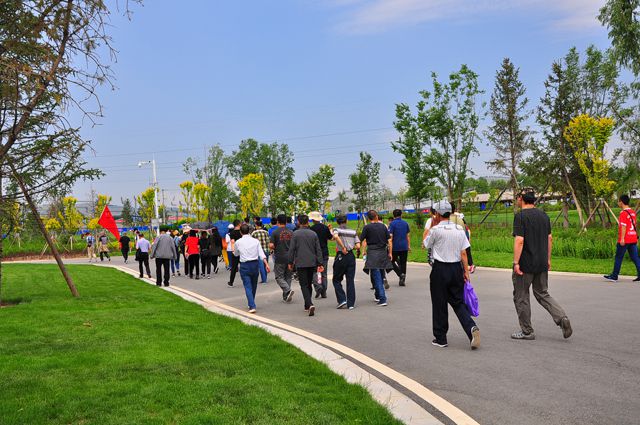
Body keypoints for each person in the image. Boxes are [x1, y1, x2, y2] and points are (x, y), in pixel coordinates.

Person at [511, 191, 572, 340]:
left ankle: (527, 331)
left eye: (517, 198)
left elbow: (519, 240)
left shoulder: (520, 216)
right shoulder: (544, 216)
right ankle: (561, 317)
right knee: (542, 293)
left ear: (521, 199)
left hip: (525, 265)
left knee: (521, 296)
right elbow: (549, 238)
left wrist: (516, 262)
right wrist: (548, 259)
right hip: (541, 262)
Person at [424, 201, 480, 349]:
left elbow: (426, 244)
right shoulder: (459, 229)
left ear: (437, 214)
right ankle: (471, 327)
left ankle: (441, 338)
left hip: (440, 269)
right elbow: (464, 253)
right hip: (456, 269)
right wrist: (466, 272)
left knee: (439, 303)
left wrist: (432, 225)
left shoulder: (435, 230)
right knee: (458, 302)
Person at [288, 214, 324, 316]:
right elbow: (318, 249)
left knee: (303, 284)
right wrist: (320, 263)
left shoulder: (295, 234)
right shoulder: (313, 234)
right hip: (312, 262)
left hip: (301, 262)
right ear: (308, 222)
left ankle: (309, 304)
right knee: (308, 284)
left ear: (299, 222)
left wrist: (290, 262)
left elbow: (292, 249)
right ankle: (307, 305)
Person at [234, 224, 270, 313]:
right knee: (254, 285)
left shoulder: (238, 242)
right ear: (249, 231)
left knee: (247, 286)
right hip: (255, 264)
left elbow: (236, 254)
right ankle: (251, 302)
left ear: (240, 232)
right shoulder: (255, 241)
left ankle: (252, 305)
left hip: (244, 265)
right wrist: (266, 264)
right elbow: (261, 254)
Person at [604, 194, 640, 282]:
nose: (618, 203)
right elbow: (634, 225)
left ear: (621, 202)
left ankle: (614, 276)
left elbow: (624, 226)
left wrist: (622, 239)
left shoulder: (623, 213)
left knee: (618, 257)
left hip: (626, 239)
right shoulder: (632, 212)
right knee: (635, 257)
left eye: (618, 201)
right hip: (633, 238)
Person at [360, 210, 392, 307]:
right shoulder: (383, 226)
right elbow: (389, 241)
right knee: (381, 274)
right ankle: (378, 295)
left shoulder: (367, 227)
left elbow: (361, 239)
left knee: (376, 276)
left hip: (373, 253)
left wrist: (361, 249)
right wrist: (390, 253)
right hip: (383, 252)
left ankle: (382, 298)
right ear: (377, 216)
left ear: (368, 218)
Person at [332, 215, 361, 309]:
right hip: (351, 256)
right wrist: (350, 247)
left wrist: (343, 247)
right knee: (350, 280)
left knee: (336, 279)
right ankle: (351, 304)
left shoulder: (336, 229)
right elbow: (358, 246)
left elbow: (336, 237)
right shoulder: (353, 231)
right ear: (346, 221)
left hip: (341, 255)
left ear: (337, 222)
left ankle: (342, 299)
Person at [270, 214, 295, 303]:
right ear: (286, 222)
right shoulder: (291, 232)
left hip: (280, 257)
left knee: (279, 277)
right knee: (288, 277)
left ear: (277, 221)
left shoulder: (275, 232)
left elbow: (271, 245)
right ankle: (286, 296)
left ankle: (287, 290)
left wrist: (273, 247)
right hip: (290, 257)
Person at [309, 211, 332, 298]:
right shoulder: (325, 228)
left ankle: (318, 287)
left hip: (314, 253)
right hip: (324, 252)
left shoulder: (311, 229)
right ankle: (324, 291)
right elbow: (330, 237)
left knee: (314, 272)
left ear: (313, 219)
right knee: (324, 273)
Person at [388, 209, 411, 286]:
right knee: (403, 262)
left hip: (395, 246)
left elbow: (390, 237)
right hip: (404, 246)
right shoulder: (405, 223)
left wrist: (390, 250)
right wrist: (408, 245)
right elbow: (407, 236)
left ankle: (400, 274)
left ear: (393, 215)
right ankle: (403, 279)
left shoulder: (392, 224)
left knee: (391, 261)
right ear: (401, 215)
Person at [227, 220, 242, 287]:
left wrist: (233, 251)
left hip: (235, 251)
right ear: (239, 224)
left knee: (234, 267)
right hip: (242, 251)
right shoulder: (242, 232)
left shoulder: (232, 233)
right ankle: (247, 280)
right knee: (244, 266)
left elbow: (232, 242)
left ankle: (231, 282)